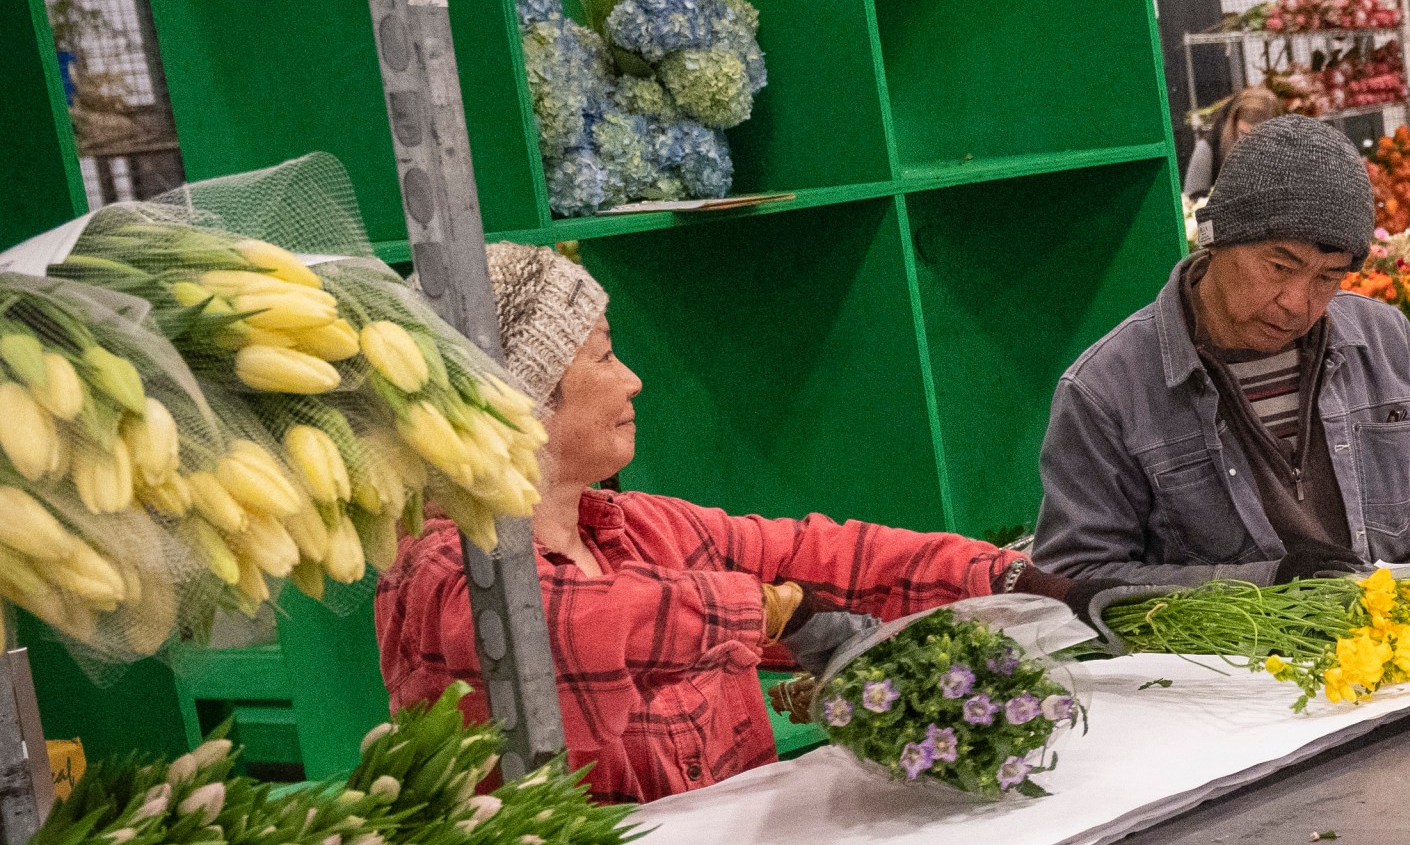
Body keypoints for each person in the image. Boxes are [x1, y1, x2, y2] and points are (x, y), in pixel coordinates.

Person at [377, 245, 1077, 805]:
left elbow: (820, 556)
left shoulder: (642, 530)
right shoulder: (440, 568)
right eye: (603, 355)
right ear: (524, 396)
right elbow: (577, 624)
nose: (632, 381)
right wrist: (773, 611)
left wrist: (1012, 576)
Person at [1036, 116, 1410, 596]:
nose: (1298, 303)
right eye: (1278, 266)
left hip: (1400, 656)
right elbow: (1077, 577)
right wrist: (1263, 586)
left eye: (1327, 278)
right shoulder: (1106, 390)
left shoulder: (1381, 338)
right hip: (1232, 674)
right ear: (1216, 240)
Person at [1183, 85, 1282, 206]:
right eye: (1244, 133)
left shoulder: (1290, 151)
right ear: (1234, 126)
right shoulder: (1208, 149)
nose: (1251, 143)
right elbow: (1193, 204)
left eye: (1261, 136)